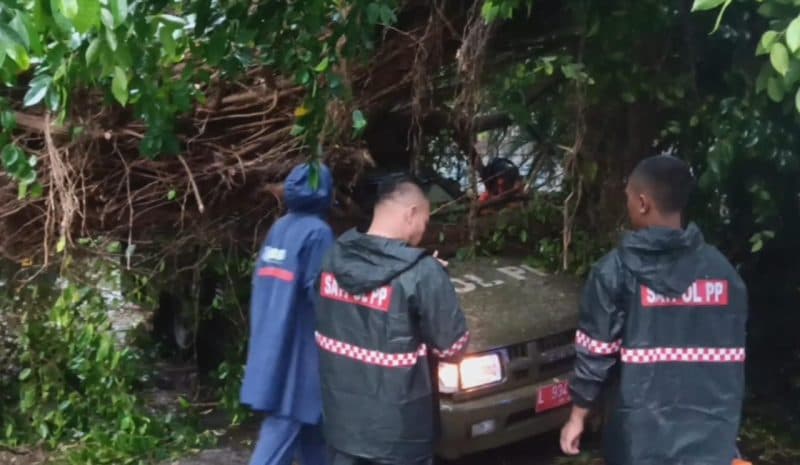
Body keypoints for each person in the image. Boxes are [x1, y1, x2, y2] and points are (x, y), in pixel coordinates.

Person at [560, 155, 748, 465]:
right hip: (711, 440)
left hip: (639, 441)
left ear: (643, 203)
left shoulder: (614, 272)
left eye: (629, 198)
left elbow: (596, 354)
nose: (628, 205)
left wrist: (578, 416)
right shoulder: (724, 273)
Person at [315, 175, 469, 465]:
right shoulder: (423, 272)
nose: (425, 228)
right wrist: (436, 280)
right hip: (400, 439)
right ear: (411, 214)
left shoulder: (332, 260)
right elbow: (453, 346)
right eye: (425, 218)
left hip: (342, 427)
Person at [240, 162, 335, 465]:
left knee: (314, 435)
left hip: (272, 346)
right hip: (301, 355)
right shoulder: (318, 233)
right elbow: (322, 295)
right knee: (281, 433)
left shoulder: (279, 228)